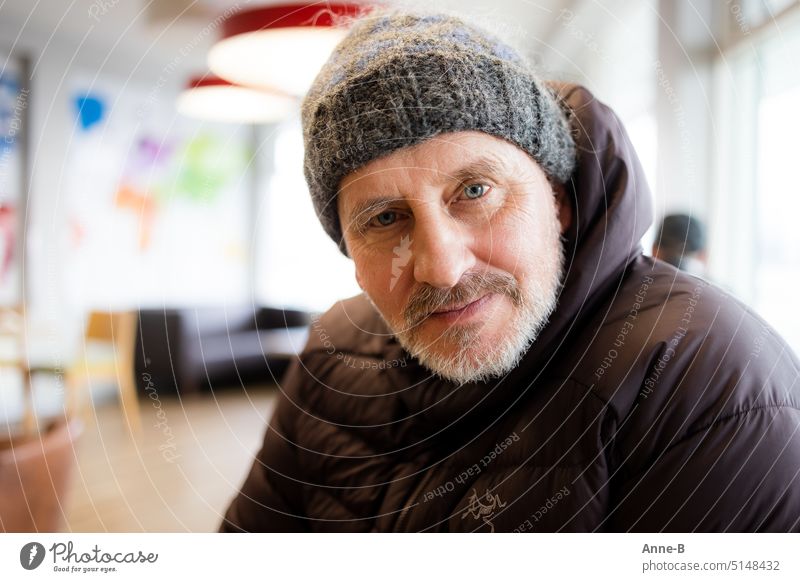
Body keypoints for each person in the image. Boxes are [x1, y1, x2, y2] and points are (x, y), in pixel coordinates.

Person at [220, 9, 800, 532]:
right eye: (386, 218)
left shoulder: (703, 379)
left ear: (558, 199)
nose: (443, 268)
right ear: (350, 253)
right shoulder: (332, 352)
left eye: (474, 190)